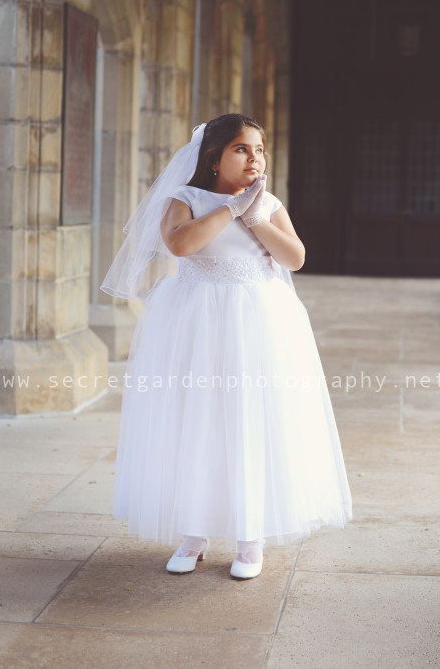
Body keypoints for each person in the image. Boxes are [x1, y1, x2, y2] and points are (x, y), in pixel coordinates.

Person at [101, 113, 352, 579]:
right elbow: (180, 245)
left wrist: (256, 216)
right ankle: (194, 532)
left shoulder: (268, 203)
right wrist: (229, 210)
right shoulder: (187, 198)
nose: (253, 158)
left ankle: (249, 537)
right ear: (214, 158)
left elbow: (294, 258)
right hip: (198, 322)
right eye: (241, 149)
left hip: (257, 321)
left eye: (259, 149)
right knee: (198, 419)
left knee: (250, 417)